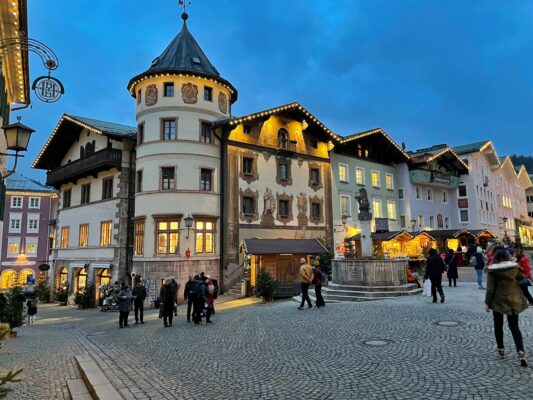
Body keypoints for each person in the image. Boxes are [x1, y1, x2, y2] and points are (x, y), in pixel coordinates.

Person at [484, 248, 528, 367]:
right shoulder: (514, 268)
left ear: (495, 258)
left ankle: (501, 350)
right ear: (507, 257)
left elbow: (490, 289)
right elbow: (522, 278)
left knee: (498, 326)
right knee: (514, 327)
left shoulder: (492, 271)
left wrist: (487, 303)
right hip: (514, 300)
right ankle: (521, 352)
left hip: (498, 301)